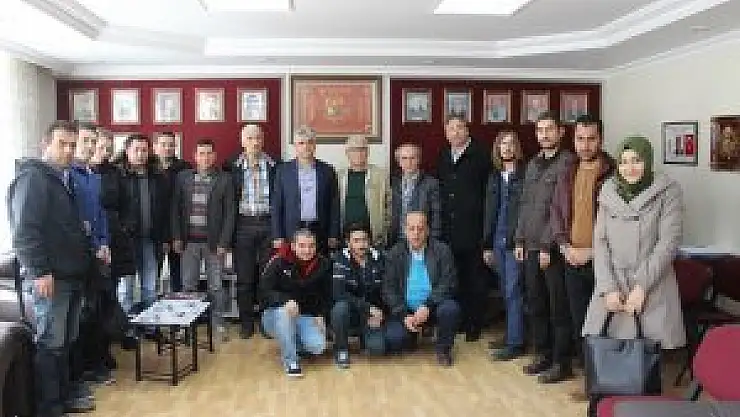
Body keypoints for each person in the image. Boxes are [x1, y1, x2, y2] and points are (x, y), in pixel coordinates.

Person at [8, 121, 95, 416]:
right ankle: (50, 408)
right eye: (62, 144)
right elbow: (24, 231)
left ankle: (65, 397)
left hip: (71, 275)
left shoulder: (61, 178)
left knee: (66, 342)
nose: (68, 150)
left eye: (72, 145)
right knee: (50, 344)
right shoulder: (33, 178)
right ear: (44, 145)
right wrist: (39, 271)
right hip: (51, 277)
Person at [582, 136, 685, 351]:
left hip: (651, 283)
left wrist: (641, 287)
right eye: (623, 162)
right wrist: (607, 288)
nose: (629, 168)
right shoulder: (608, 191)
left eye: (636, 160)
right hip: (614, 283)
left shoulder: (668, 191)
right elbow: (600, 243)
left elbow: (668, 244)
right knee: (608, 353)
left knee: (645, 356)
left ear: (647, 161)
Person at [548, 115, 615, 379]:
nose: (585, 145)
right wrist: (565, 246)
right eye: (580, 139)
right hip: (571, 257)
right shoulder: (568, 170)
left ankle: (604, 379)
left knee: (603, 323)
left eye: (591, 139)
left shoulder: (613, 173)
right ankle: (589, 379)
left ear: (601, 139)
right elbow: (556, 211)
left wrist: (593, 252)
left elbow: (619, 224)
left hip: (603, 261)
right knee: (576, 320)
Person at [514, 111, 576, 383]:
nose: (544, 135)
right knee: (536, 304)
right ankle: (543, 355)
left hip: (551, 250)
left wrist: (547, 246)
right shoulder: (533, 164)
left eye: (549, 129)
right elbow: (525, 204)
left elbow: (561, 210)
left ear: (560, 132)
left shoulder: (568, 163)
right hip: (530, 246)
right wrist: (519, 239)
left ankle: (562, 362)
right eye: (540, 130)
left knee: (557, 307)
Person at [171, 139, 235, 342]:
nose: (205, 157)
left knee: (215, 285)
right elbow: (175, 209)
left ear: (214, 156)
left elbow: (230, 214)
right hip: (188, 242)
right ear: (195, 156)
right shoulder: (183, 177)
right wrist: (176, 237)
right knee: (188, 285)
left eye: (209, 153)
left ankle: (218, 324)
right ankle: (186, 324)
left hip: (214, 244)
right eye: (201, 153)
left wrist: (224, 242)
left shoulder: (225, 179)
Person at [436, 115, 492, 342]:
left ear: (467, 130)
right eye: (451, 128)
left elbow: (489, 194)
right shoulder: (443, 155)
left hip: (474, 229)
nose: (456, 132)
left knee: (475, 279)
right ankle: (457, 321)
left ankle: (474, 324)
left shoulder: (481, 155)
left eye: (460, 127)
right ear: (446, 132)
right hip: (449, 230)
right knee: (454, 278)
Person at [383, 211, 461, 366]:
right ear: (405, 231)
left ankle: (443, 350)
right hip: (406, 311)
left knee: (450, 309)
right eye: (412, 229)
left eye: (420, 228)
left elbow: (449, 283)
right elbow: (389, 289)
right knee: (394, 340)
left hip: (434, 307)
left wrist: (428, 305)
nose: (416, 234)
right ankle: (412, 333)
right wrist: (404, 315)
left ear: (427, 230)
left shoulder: (442, 250)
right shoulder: (394, 253)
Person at [223, 124, 278, 339]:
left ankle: (266, 321)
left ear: (263, 140)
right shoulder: (231, 166)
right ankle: (246, 322)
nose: (255, 142)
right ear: (242, 141)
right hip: (243, 226)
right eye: (250, 138)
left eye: (258, 138)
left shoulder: (275, 165)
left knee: (267, 277)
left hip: (268, 225)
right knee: (244, 278)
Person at [259, 229, 330, 377]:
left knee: (318, 347)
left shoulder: (323, 264)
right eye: (302, 246)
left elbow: (325, 294)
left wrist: (321, 314)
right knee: (284, 312)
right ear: (293, 246)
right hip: (275, 316)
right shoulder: (278, 261)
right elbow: (263, 291)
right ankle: (291, 361)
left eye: (311, 246)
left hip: (304, 315)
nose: (307, 250)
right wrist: (285, 300)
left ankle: (289, 341)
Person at [482, 130, 526, 361]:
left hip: (514, 241)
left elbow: (526, 211)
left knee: (513, 291)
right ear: (497, 149)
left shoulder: (525, 174)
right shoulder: (494, 176)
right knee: (505, 289)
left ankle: (516, 343)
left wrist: (521, 240)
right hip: (496, 240)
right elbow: (489, 211)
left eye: (511, 143)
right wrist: (487, 244)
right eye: (503, 144)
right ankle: (511, 333)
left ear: (517, 147)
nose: (507, 148)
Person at [271, 126, 340, 255]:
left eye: (310, 142)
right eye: (301, 143)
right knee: (292, 265)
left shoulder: (328, 171)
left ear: (315, 145)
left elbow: (334, 206)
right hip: (292, 230)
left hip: (320, 229)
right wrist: (277, 235)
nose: (306, 147)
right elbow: (277, 205)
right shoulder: (283, 171)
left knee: (319, 265)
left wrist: (333, 234)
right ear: (295, 146)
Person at [330, 223, 386, 369]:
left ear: (369, 241)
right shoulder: (340, 259)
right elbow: (339, 293)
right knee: (339, 308)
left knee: (377, 348)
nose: (361, 244)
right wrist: (367, 307)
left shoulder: (380, 258)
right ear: (348, 243)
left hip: (373, 313)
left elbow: (387, 290)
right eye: (356, 240)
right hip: (351, 311)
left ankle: (364, 337)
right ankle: (341, 349)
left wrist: (382, 313)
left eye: (364, 240)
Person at [152, 131, 192, 292]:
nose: (167, 148)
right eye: (163, 144)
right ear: (155, 146)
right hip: (154, 232)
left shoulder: (185, 168)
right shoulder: (148, 168)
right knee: (152, 280)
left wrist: (177, 236)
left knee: (179, 279)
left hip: (179, 231)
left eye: (171, 145)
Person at [337, 135, 390, 247]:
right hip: (346, 237)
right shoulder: (339, 176)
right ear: (347, 153)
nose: (358, 153)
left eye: (362, 149)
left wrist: (384, 230)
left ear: (368, 152)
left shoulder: (380, 175)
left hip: (374, 237)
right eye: (354, 150)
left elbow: (389, 205)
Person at [389, 143, 441, 247]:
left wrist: (433, 241)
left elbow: (436, 214)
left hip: (420, 239)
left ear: (418, 160)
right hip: (396, 239)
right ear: (398, 162)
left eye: (412, 158)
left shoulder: (431, 183)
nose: (408, 162)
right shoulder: (392, 182)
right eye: (404, 158)